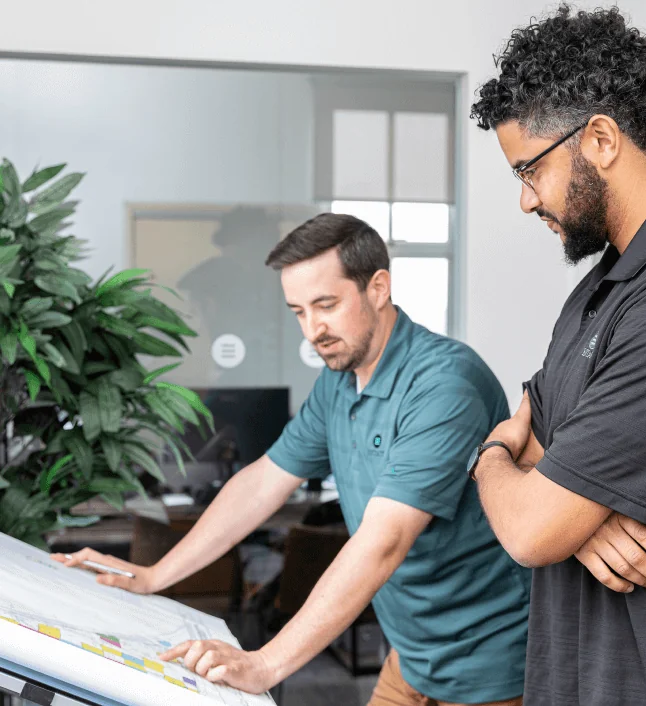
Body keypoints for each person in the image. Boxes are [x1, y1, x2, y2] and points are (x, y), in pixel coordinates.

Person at [55, 213, 530, 706]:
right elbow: (262, 483)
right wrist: (155, 575)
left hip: (490, 663)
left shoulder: (443, 385)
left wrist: (266, 662)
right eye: (298, 311)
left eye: (326, 305)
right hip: (411, 657)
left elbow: (384, 541)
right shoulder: (339, 382)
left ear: (379, 287)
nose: (312, 329)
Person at [468, 5, 646, 705]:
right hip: (573, 673)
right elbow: (542, 444)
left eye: (530, 170)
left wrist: (492, 457)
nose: (524, 201)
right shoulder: (600, 289)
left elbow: (527, 520)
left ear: (601, 138)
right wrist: (575, 517)